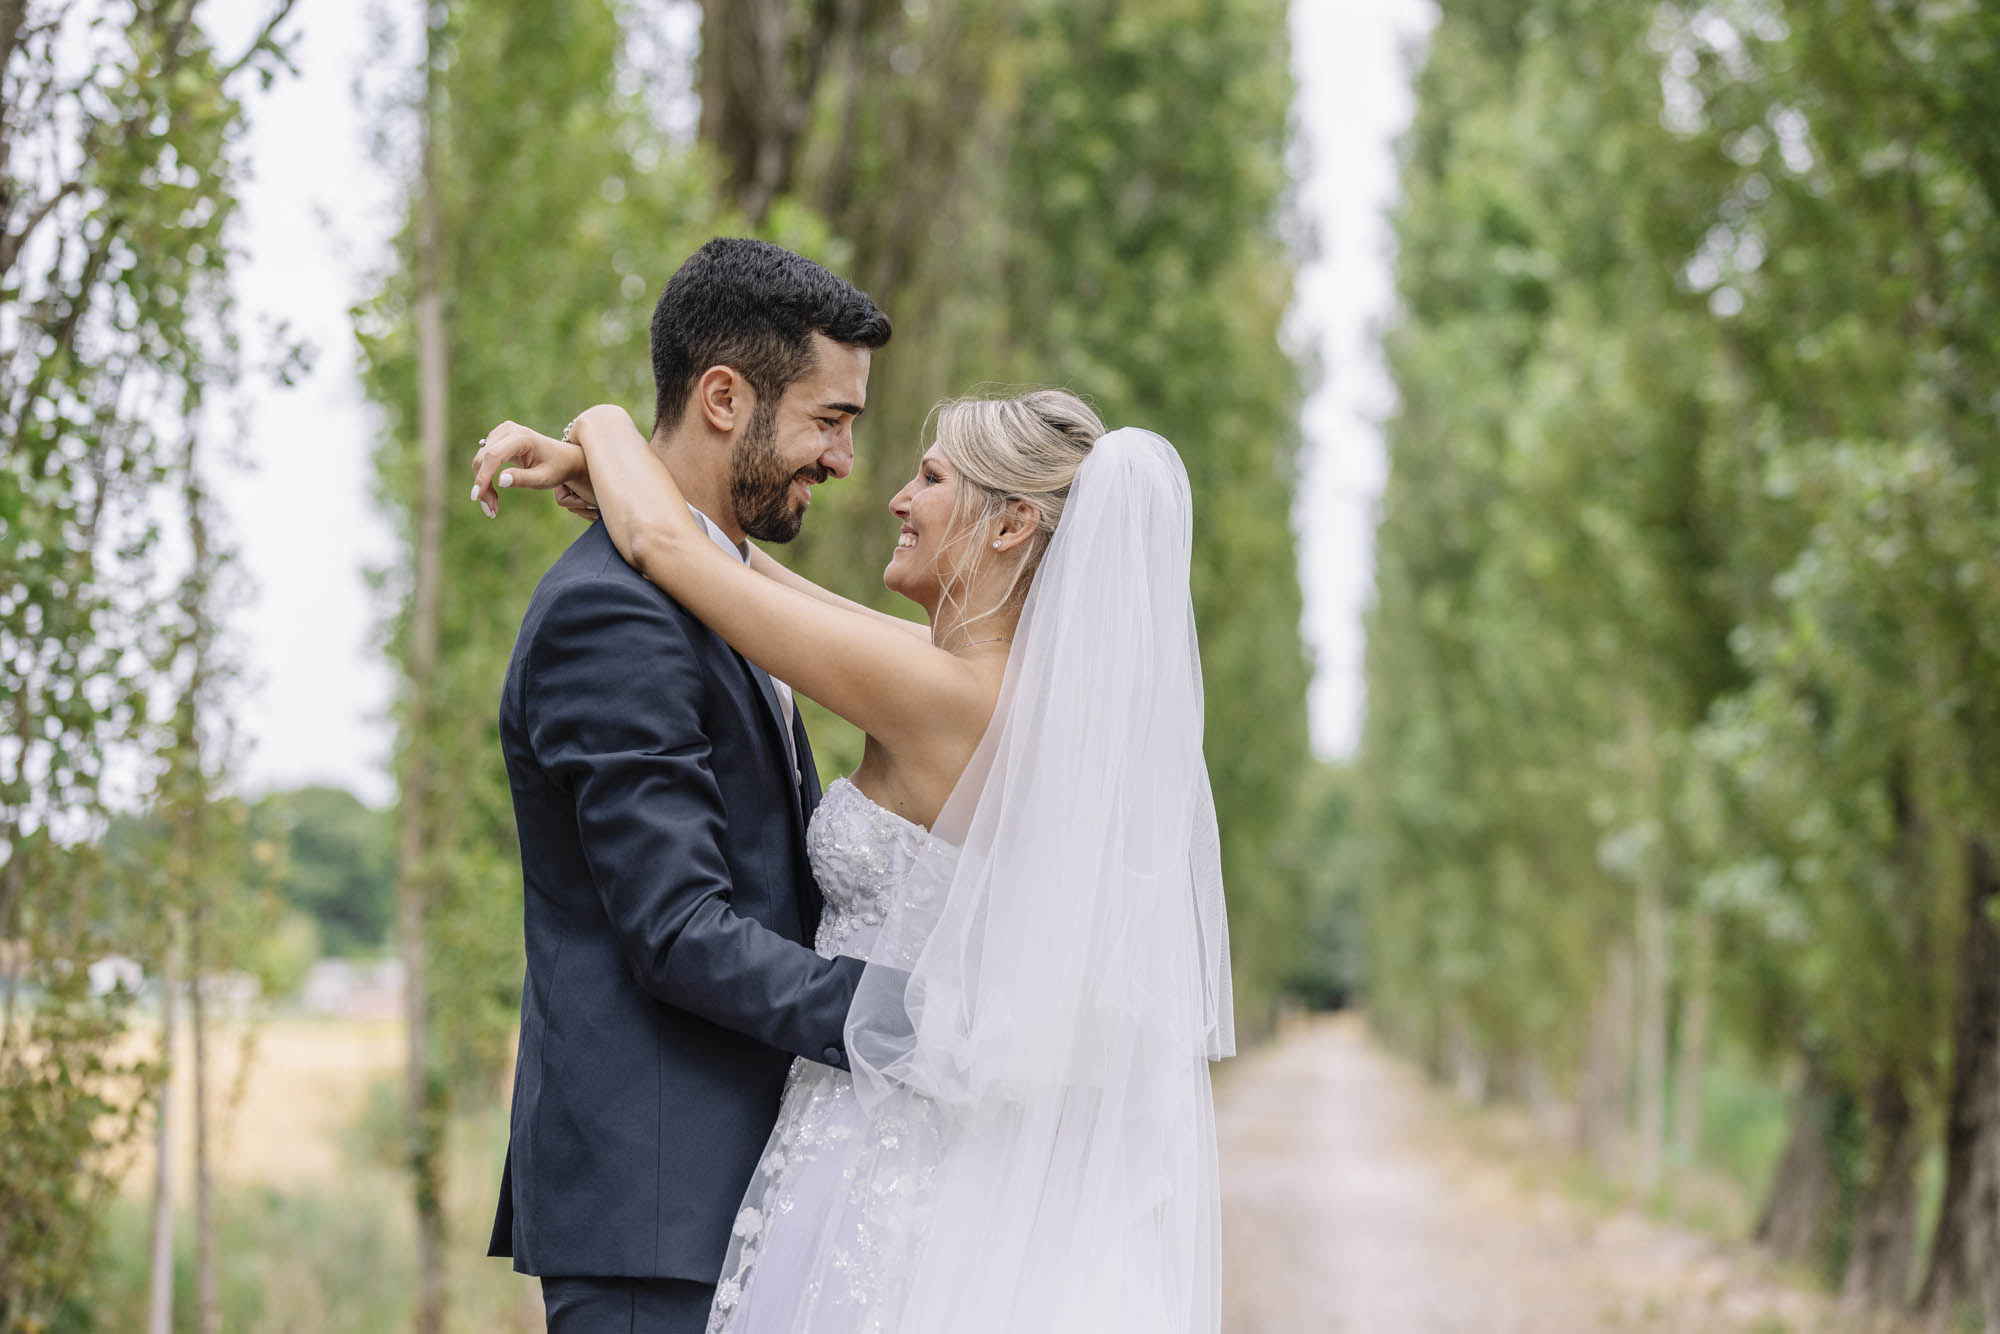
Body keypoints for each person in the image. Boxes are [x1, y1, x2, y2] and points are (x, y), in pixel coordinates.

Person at [474, 384, 1234, 1333]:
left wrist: (606, 425)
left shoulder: (944, 696)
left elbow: (676, 555)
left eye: (930, 477)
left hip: (880, 1153)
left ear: (1011, 528)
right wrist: (617, 479)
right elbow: (737, 568)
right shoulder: (973, 682)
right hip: (900, 1132)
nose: (897, 499)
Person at [480, 237, 892, 1334]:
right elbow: (679, 927)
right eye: (829, 419)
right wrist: (906, 1019)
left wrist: (601, 437)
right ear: (723, 397)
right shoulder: (610, 612)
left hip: (728, 1189)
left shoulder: (714, 579)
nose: (842, 459)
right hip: (655, 1206)